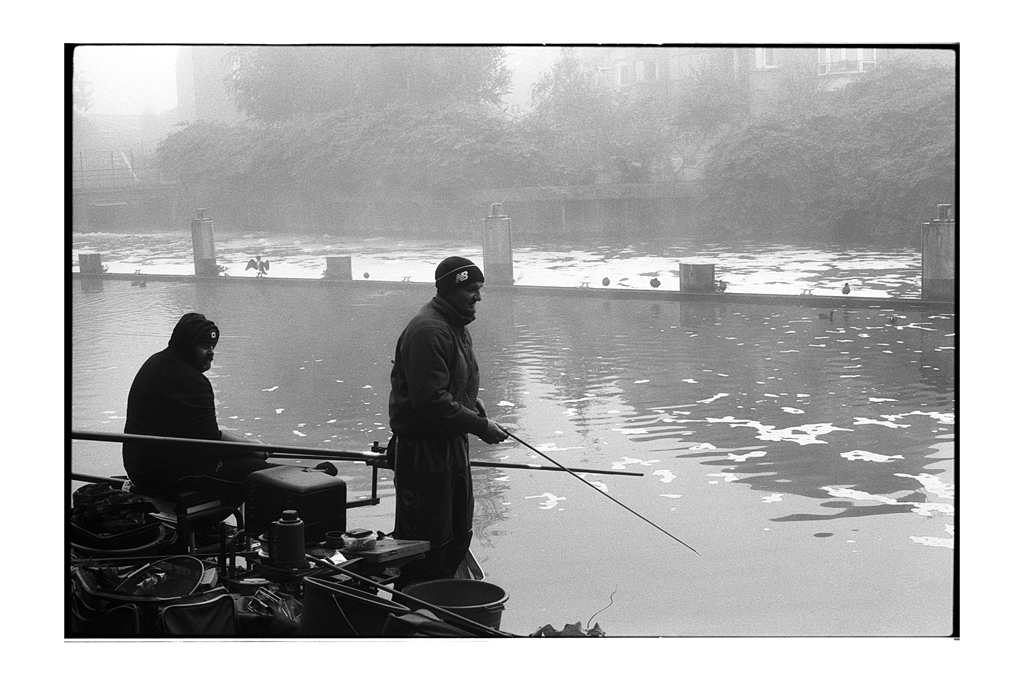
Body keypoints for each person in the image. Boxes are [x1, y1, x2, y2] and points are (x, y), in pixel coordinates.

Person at [387, 256, 508, 587]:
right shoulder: (429, 331)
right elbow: (430, 401)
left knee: (457, 533)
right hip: (424, 454)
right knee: (427, 544)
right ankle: (414, 606)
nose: (478, 297)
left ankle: (444, 601)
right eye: (471, 289)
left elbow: (449, 383)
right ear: (451, 290)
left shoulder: (456, 324)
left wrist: (470, 403)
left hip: (451, 445)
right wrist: (480, 426)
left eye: (479, 289)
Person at [123, 312, 273, 506]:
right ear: (186, 345)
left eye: (212, 346)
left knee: (252, 465)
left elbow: (202, 435)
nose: (211, 352)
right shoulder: (191, 381)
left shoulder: (156, 362)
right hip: (165, 473)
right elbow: (210, 440)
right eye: (203, 346)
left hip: (140, 468)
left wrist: (247, 448)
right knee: (266, 478)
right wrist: (251, 447)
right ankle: (214, 524)